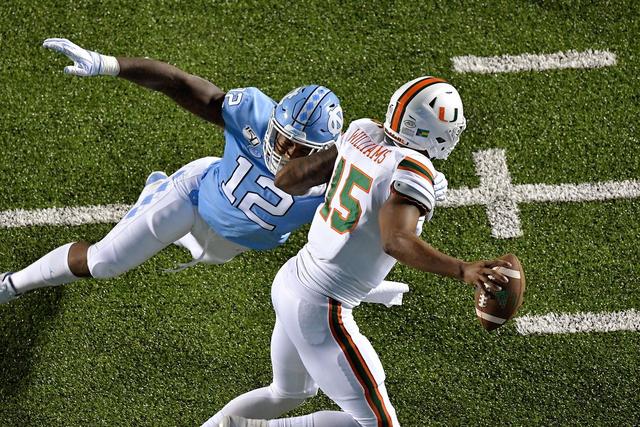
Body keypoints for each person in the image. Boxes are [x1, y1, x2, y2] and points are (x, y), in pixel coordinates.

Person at [206, 77, 512, 427]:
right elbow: (395, 240)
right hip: (322, 306)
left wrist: (361, 166)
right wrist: (462, 269)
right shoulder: (412, 171)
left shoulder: (362, 132)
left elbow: (289, 179)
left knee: (288, 391)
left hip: (294, 278)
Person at [0, 38, 346, 303]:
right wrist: (107, 64)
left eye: (299, 147)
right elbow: (178, 83)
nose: (284, 149)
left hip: (231, 241)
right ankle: (11, 284)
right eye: (282, 136)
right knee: (103, 262)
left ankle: (160, 201)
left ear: (324, 153)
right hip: (194, 196)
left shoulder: (342, 177)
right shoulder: (253, 115)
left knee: (201, 251)